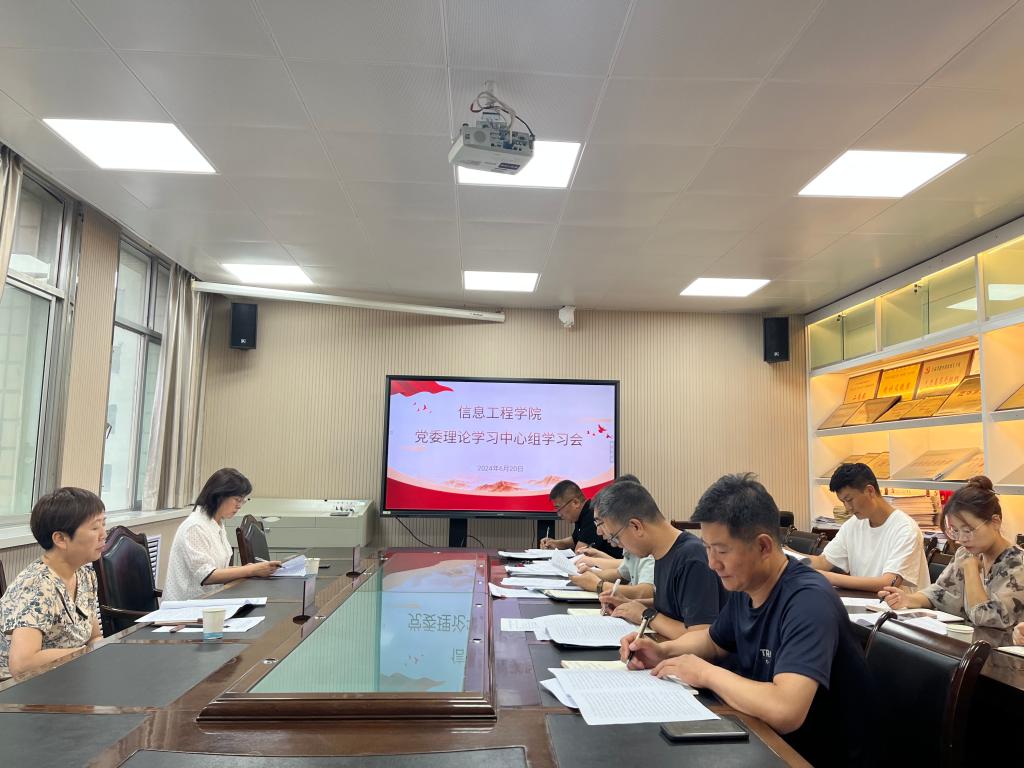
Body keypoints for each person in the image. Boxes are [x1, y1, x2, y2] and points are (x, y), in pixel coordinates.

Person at [621, 473, 874, 768]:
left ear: (763, 546)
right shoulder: (747, 586)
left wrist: (706, 674)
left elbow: (786, 710)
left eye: (721, 551)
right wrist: (662, 651)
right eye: (707, 548)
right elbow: (713, 641)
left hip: (809, 755)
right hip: (764, 739)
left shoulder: (809, 601)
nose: (712, 563)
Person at [880, 476, 1024, 629]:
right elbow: (940, 593)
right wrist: (907, 599)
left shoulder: (1018, 565)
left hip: (998, 643)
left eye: (968, 530)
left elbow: (985, 617)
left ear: (995, 522)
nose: (961, 539)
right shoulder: (966, 553)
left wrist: (970, 569)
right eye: (955, 531)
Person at [593, 480, 725, 639]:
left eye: (615, 538)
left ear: (636, 526)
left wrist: (645, 614)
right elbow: (671, 607)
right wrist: (629, 604)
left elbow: (701, 635)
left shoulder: (691, 558)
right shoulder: (661, 553)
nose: (618, 545)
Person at [0, 488, 106, 679]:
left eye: (103, 524)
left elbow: (94, 637)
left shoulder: (85, 574)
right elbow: (22, 665)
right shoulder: (37, 585)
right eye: (95, 528)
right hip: (21, 687)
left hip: (69, 675)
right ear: (60, 539)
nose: (103, 534)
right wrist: (84, 654)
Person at [806, 462, 930, 592]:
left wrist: (827, 577)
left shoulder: (905, 529)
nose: (848, 508)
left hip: (896, 604)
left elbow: (889, 583)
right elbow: (824, 562)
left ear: (870, 491)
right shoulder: (854, 524)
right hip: (864, 600)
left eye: (849, 500)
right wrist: (792, 559)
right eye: (843, 502)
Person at [163, 468, 281, 601]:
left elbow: (217, 567)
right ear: (219, 496)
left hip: (211, 599)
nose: (239, 506)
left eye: (243, 500)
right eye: (237, 499)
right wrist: (251, 570)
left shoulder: (216, 522)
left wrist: (249, 568)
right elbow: (207, 576)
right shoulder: (195, 526)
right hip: (187, 606)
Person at [569, 476, 655, 602]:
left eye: (601, 523)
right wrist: (592, 574)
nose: (599, 532)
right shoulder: (633, 541)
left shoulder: (648, 544)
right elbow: (621, 573)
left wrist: (598, 585)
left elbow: (646, 592)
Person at [539, 479, 622, 557]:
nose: (559, 514)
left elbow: (579, 552)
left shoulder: (592, 515)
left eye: (559, 508)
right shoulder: (582, 513)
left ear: (575, 503)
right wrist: (555, 543)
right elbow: (575, 539)